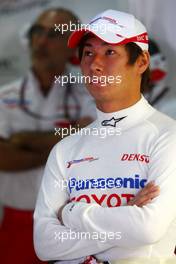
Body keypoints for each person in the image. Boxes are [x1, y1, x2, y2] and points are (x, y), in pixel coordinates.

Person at [34, 9, 176, 263]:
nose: (95, 64)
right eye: (88, 53)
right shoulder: (65, 148)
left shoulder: (167, 136)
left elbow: (147, 228)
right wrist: (126, 215)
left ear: (142, 62)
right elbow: (45, 244)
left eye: (110, 52)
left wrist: (72, 213)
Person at [0, 7, 96, 264]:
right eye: (37, 32)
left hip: (73, 225)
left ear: (73, 45)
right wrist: (69, 138)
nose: (41, 42)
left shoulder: (91, 94)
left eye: (54, 34)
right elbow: (3, 159)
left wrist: (22, 140)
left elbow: (93, 144)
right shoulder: (3, 96)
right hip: (17, 221)